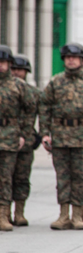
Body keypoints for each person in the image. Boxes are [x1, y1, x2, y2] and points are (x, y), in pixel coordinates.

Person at [41, 43, 83, 230]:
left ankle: (78, 215)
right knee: (63, 178)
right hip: (60, 137)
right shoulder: (56, 82)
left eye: (75, 57)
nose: (71, 60)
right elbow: (45, 107)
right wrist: (45, 133)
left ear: (82, 60)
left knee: (79, 178)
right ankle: (63, 215)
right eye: (68, 57)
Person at [0, 46, 37, 231]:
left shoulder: (19, 86)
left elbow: (31, 111)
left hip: (10, 137)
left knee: (7, 177)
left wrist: (24, 133)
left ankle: (5, 214)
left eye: (3, 63)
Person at [8, 54, 42, 227]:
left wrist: (37, 136)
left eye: (20, 70)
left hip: (26, 142)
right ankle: (4, 212)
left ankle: (19, 212)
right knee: (5, 177)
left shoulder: (33, 93)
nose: (17, 73)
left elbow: (41, 113)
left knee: (21, 177)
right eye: (14, 69)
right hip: (6, 140)